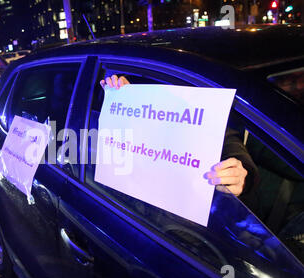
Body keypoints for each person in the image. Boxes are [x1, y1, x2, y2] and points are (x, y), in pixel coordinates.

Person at [100, 75, 258, 198]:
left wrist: (242, 177)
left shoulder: (201, 115)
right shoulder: (130, 122)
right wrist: (122, 98)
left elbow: (230, 145)